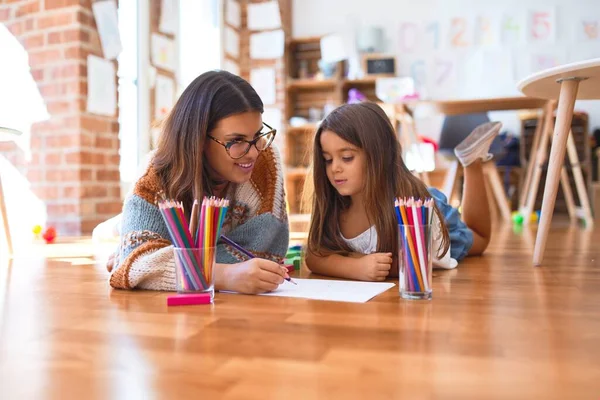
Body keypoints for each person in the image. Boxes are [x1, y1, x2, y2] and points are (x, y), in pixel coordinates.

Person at [107, 70, 290, 294]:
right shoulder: (155, 174)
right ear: (199, 139)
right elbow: (134, 265)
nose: (252, 152)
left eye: (258, 135)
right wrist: (222, 275)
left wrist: (166, 261)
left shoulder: (266, 157)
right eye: (236, 141)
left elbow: (266, 251)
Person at [305, 102, 500, 281]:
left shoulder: (412, 206)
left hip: (431, 214)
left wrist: (354, 261)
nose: (334, 168)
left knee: (479, 240)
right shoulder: (333, 203)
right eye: (328, 159)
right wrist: (356, 266)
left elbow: (411, 263)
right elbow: (314, 256)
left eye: (347, 157)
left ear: (378, 155)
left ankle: (471, 161)